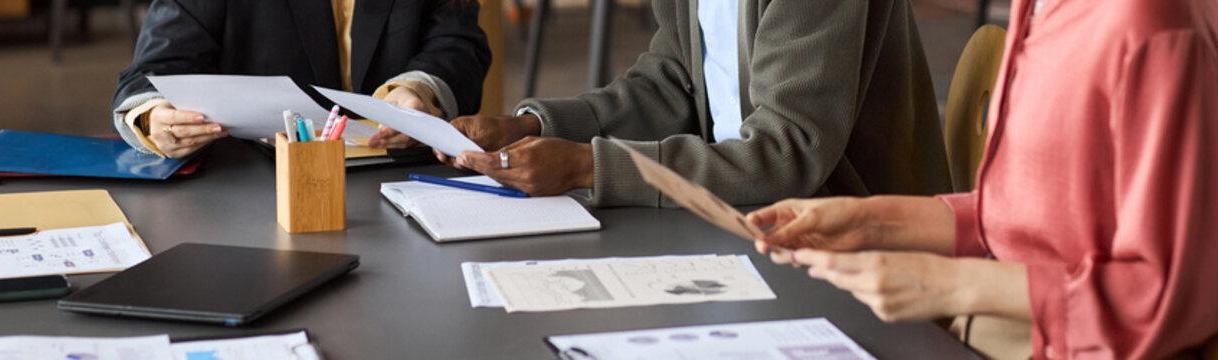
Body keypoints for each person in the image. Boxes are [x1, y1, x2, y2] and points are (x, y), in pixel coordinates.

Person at [747, 0, 1218, 358]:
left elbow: (1166, 297)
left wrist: (946, 284)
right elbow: (1029, 217)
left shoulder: (1156, 26)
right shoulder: (1043, 9)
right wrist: (872, 222)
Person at [370, 0, 952, 207]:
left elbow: (785, 154)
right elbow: (672, 80)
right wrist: (530, 124)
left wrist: (586, 165)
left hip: (842, 224)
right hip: (735, 203)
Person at [112, 0, 491, 158]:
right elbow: (153, 71)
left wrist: (418, 89)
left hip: (398, 176)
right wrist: (153, 118)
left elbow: (458, 45)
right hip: (256, 183)